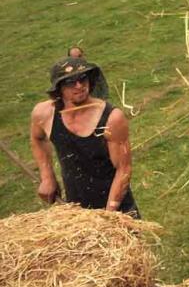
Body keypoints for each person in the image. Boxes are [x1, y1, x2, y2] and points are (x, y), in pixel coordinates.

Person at [29, 56, 138, 216]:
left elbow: (124, 169)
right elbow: (37, 139)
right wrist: (47, 177)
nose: (79, 86)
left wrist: (110, 215)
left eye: (82, 79)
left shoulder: (111, 118)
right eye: (70, 82)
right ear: (58, 88)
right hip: (77, 210)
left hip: (117, 209)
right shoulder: (44, 114)